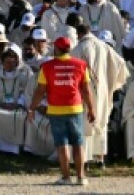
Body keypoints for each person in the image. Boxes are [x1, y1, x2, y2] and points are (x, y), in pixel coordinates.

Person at [28, 34, 97, 186]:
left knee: (62, 144)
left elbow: (40, 91)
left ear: (57, 48)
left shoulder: (46, 67)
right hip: (75, 109)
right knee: (78, 144)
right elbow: (86, 90)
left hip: (56, 110)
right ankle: (81, 177)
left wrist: (32, 108)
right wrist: (91, 108)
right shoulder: (81, 65)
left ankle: (66, 177)